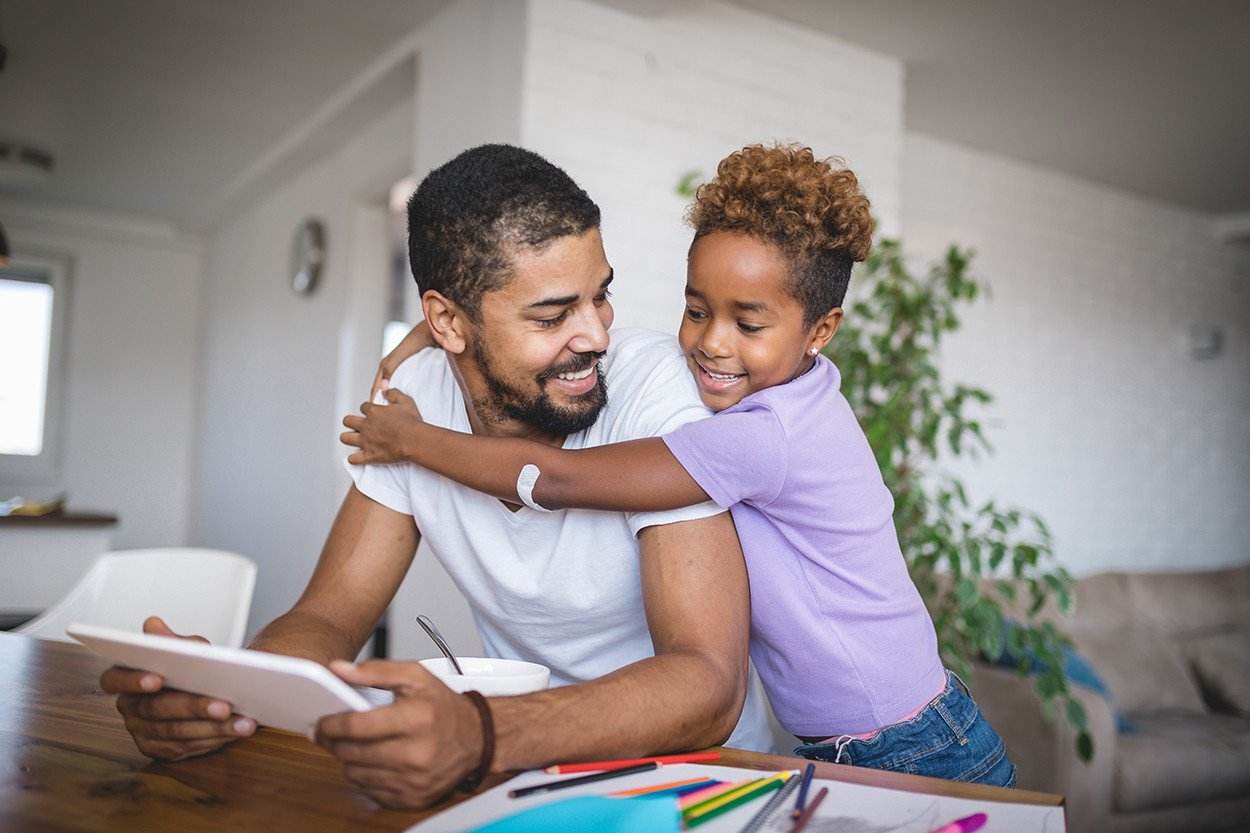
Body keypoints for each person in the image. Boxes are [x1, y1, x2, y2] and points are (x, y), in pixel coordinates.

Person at [101, 144, 771, 809]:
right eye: (552, 315)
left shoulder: (655, 387)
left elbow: (708, 682)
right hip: (526, 777)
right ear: (447, 321)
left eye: (602, 296)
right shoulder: (413, 402)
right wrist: (225, 696)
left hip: (708, 784)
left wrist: (483, 731)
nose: (595, 334)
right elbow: (329, 615)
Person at [343, 143, 1016, 787]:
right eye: (696, 309)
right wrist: (430, 333)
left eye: (747, 325)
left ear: (820, 330)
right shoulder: (772, 391)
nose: (709, 344)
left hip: (915, 744)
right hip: (845, 740)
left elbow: (557, 478)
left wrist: (414, 441)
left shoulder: (765, 435)